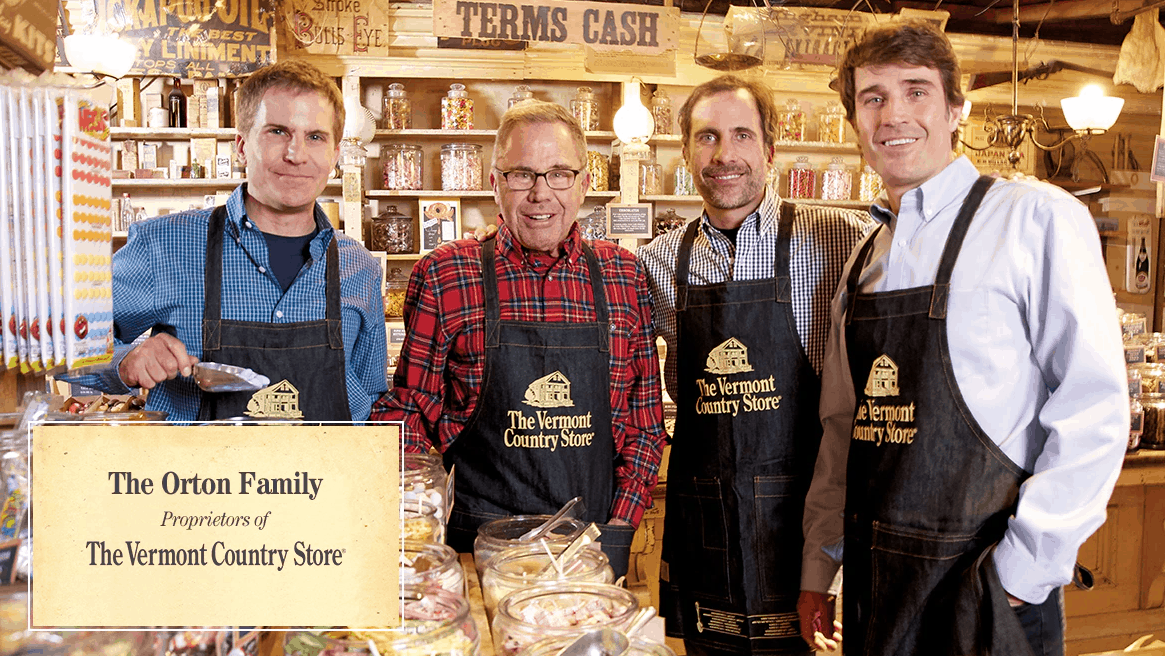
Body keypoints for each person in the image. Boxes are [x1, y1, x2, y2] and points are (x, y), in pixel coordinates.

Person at [797, 21, 1128, 656]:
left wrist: (1021, 574)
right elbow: (844, 429)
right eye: (873, 98)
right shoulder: (863, 260)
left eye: (916, 91)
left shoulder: (1035, 219)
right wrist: (821, 565)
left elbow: (1095, 408)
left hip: (984, 590)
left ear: (956, 109)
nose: (894, 114)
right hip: (876, 588)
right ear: (855, 123)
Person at [369, 100, 666, 577]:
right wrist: (412, 517)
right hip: (475, 547)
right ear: (495, 183)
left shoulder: (624, 275)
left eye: (559, 174)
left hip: (588, 549)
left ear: (585, 183)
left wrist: (618, 527)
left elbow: (645, 425)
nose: (540, 194)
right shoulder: (447, 274)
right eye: (522, 174)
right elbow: (408, 413)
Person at [636, 75, 871, 656]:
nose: (724, 155)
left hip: (809, 528)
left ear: (770, 150)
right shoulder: (659, 263)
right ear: (686, 150)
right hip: (704, 518)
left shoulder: (839, 240)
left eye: (742, 135)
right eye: (707, 137)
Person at [65, 60, 388, 422]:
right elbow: (57, 340)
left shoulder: (359, 266)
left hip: (324, 477)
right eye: (277, 132)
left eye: (315, 137)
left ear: (334, 155)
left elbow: (370, 397)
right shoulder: (164, 245)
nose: (296, 155)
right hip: (197, 478)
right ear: (241, 146)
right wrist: (125, 360)